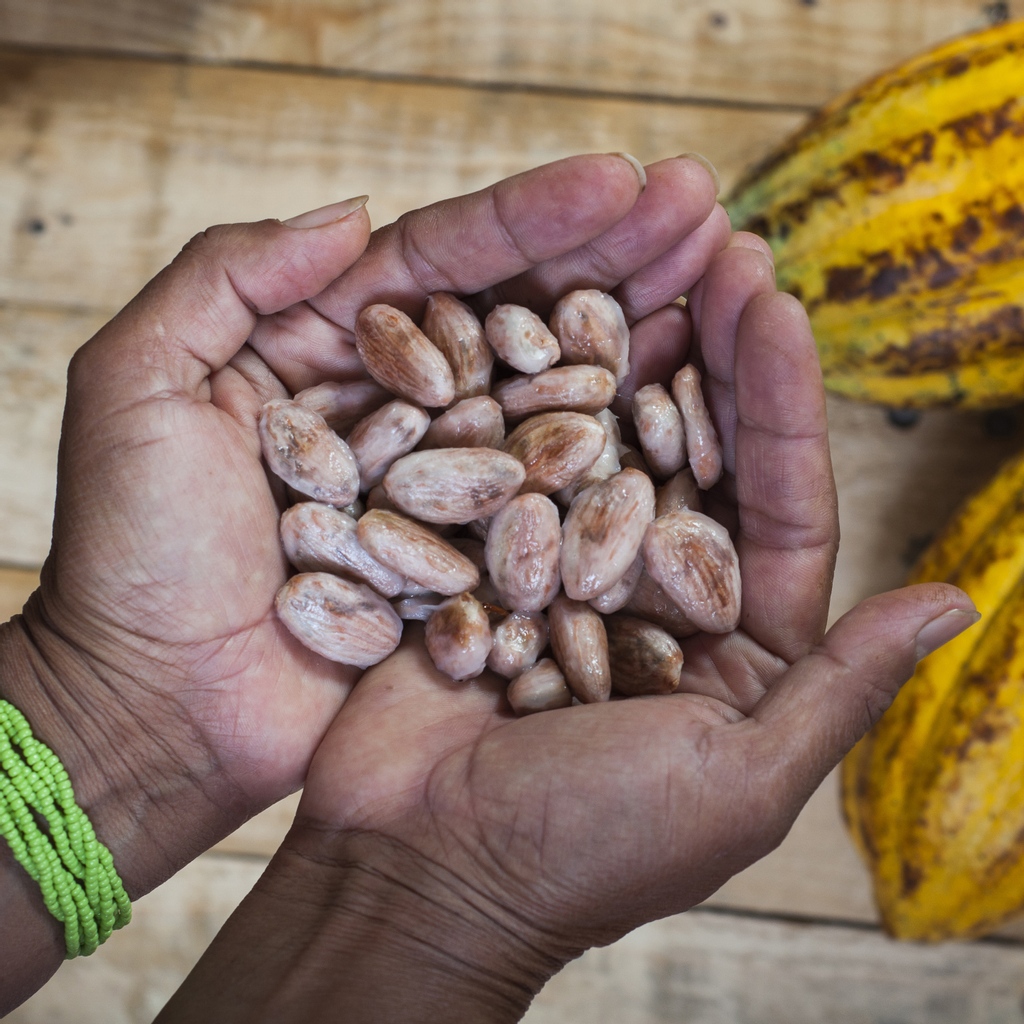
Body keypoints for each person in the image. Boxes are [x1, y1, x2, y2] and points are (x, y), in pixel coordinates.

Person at [0, 153, 976, 1020]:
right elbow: (475, 497)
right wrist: (104, 709)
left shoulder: (559, 476)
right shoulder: (446, 478)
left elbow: (534, 499)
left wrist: (104, 718)